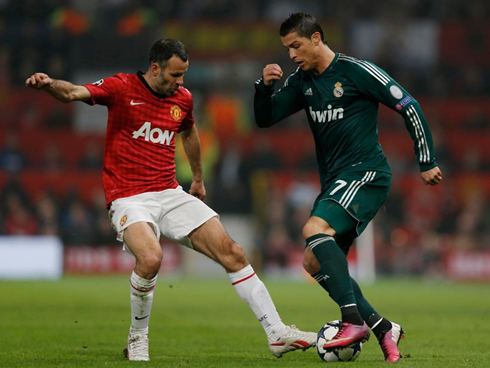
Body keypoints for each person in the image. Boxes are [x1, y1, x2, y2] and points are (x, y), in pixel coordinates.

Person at [26, 38, 316, 361]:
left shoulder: (183, 99)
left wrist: (199, 179)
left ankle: (276, 332)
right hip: (128, 197)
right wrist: (50, 84)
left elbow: (189, 133)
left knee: (232, 251)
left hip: (169, 191)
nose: (180, 83)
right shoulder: (121, 88)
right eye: (175, 75)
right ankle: (137, 337)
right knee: (151, 258)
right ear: (155, 68)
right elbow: (73, 93)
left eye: (183, 76)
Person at [253, 13, 443, 363]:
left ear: (316, 38)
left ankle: (352, 321)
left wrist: (426, 159)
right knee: (313, 261)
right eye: (286, 48)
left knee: (313, 229)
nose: (292, 55)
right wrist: (264, 88)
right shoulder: (302, 81)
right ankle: (382, 326)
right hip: (337, 181)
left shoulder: (357, 71)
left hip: (366, 172)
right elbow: (265, 119)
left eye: (296, 46)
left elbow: (409, 105)